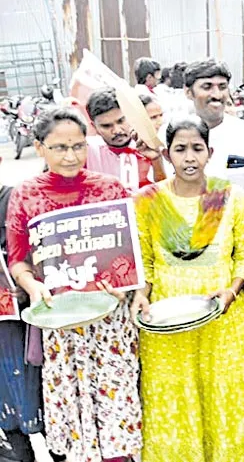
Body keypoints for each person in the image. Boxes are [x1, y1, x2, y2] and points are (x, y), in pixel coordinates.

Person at [130, 115, 244, 462]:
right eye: (180, 149)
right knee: (177, 397)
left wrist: (233, 290)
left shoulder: (230, 196)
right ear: (167, 154)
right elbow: (144, 258)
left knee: (229, 394)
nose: (189, 157)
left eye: (197, 149)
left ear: (209, 152)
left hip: (224, 314)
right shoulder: (146, 200)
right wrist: (141, 294)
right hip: (167, 319)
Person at [7, 107, 142, 462]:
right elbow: (18, 257)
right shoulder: (26, 195)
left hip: (109, 322)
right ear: (39, 148)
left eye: (78, 146)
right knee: (74, 419)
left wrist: (126, 283)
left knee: (117, 414)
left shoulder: (110, 189)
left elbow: (131, 251)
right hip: (60, 323)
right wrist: (30, 285)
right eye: (60, 148)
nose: (71, 156)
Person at [181, 58, 244, 395]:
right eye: (207, 87)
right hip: (194, 266)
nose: (216, 94)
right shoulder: (178, 135)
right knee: (208, 345)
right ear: (188, 91)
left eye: (222, 87)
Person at [0, 163, 43, 462]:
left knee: (47, 411)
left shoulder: (17, 199)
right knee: (9, 425)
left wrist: (26, 276)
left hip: (24, 326)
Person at [85, 87, 166, 193]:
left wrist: (157, 161)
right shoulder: (87, 152)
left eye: (121, 121)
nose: (117, 130)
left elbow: (166, 194)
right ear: (94, 127)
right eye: (106, 126)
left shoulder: (150, 145)